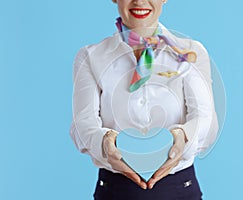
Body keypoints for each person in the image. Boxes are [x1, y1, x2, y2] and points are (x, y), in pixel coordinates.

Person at [70, 0, 219, 199]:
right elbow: (82, 125)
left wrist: (182, 138)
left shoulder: (191, 52)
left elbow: (206, 121)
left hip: (179, 190)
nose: (139, 1)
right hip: (115, 191)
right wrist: (105, 143)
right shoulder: (91, 57)